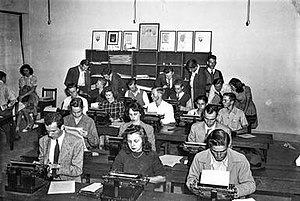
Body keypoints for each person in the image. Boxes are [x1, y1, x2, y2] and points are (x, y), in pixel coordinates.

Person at [186, 129, 256, 198]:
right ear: (209, 147)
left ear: (229, 146)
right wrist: (193, 186)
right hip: (206, 198)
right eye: (214, 151)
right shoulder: (200, 157)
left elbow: (250, 184)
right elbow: (191, 178)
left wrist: (236, 191)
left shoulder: (240, 159)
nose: (218, 155)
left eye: (222, 151)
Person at [38, 112, 84, 181]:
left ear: (62, 127)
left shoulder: (76, 142)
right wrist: (40, 165)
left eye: (53, 131)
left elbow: (77, 170)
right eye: (48, 131)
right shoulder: (43, 140)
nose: (50, 135)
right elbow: (42, 161)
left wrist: (58, 167)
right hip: (48, 180)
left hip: (69, 181)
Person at [16, 64, 39, 133]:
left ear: (29, 70)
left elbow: (32, 89)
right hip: (23, 96)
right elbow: (21, 89)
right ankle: (17, 126)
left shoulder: (33, 78)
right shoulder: (21, 79)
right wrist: (20, 97)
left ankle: (30, 123)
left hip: (32, 96)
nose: (25, 72)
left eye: (27, 70)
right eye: (24, 71)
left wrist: (23, 96)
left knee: (25, 109)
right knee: (20, 110)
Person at [0, 71, 19, 142]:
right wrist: (7, 106)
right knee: (11, 117)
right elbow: (13, 99)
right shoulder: (5, 86)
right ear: (3, 78)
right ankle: (13, 136)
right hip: (2, 111)